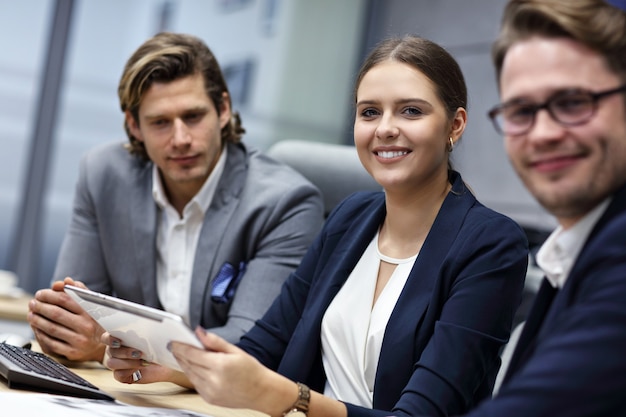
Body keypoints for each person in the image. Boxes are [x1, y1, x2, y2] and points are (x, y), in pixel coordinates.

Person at [103, 35, 530, 416]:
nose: (385, 129)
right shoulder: (350, 218)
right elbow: (263, 349)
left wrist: (290, 398)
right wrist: (170, 365)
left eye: (411, 111)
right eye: (369, 112)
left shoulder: (490, 245)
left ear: (455, 125)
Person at [26, 32, 324, 363]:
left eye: (193, 117)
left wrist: (112, 345)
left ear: (223, 109)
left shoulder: (284, 203)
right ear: (134, 126)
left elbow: (249, 344)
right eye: (160, 123)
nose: (180, 139)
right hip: (129, 392)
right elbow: (73, 312)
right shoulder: (104, 175)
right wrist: (63, 328)